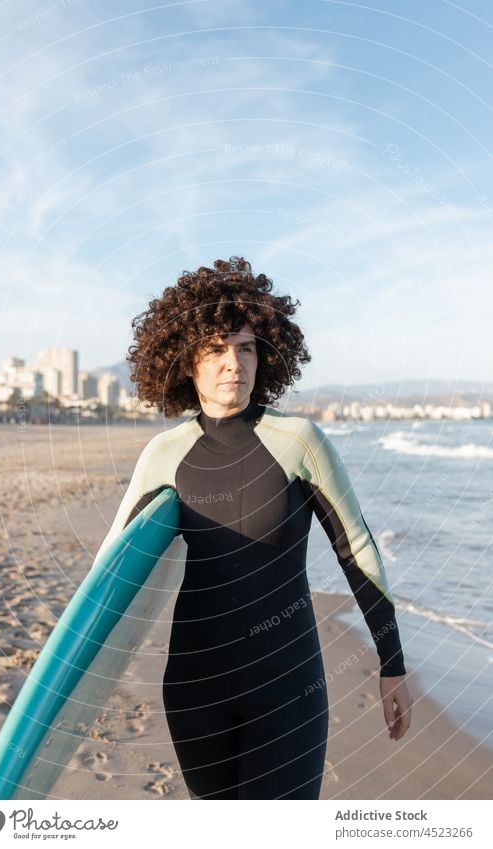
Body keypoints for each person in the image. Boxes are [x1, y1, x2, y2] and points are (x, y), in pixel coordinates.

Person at [93, 256, 413, 799]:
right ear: (186, 363)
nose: (232, 363)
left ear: (264, 354)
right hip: (195, 689)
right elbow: (109, 572)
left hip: (287, 684)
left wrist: (393, 663)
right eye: (215, 349)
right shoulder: (164, 454)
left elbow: (355, 547)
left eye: (245, 348)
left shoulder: (299, 441)